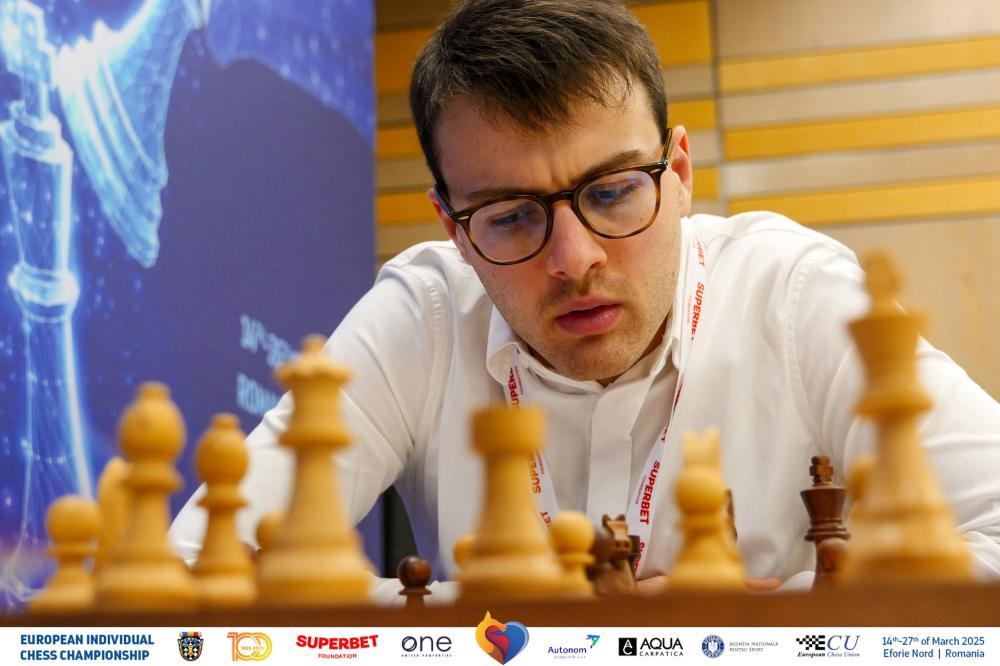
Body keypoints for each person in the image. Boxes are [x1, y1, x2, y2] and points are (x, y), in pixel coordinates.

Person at [170, 0, 1000, 591]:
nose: (574, 260)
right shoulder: (424, 315)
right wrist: (522, 623)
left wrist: (754, 627)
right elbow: (194, 573)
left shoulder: (795, 294)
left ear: (679, 174)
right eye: (510, 217)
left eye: (611, 192)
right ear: (452, 227)